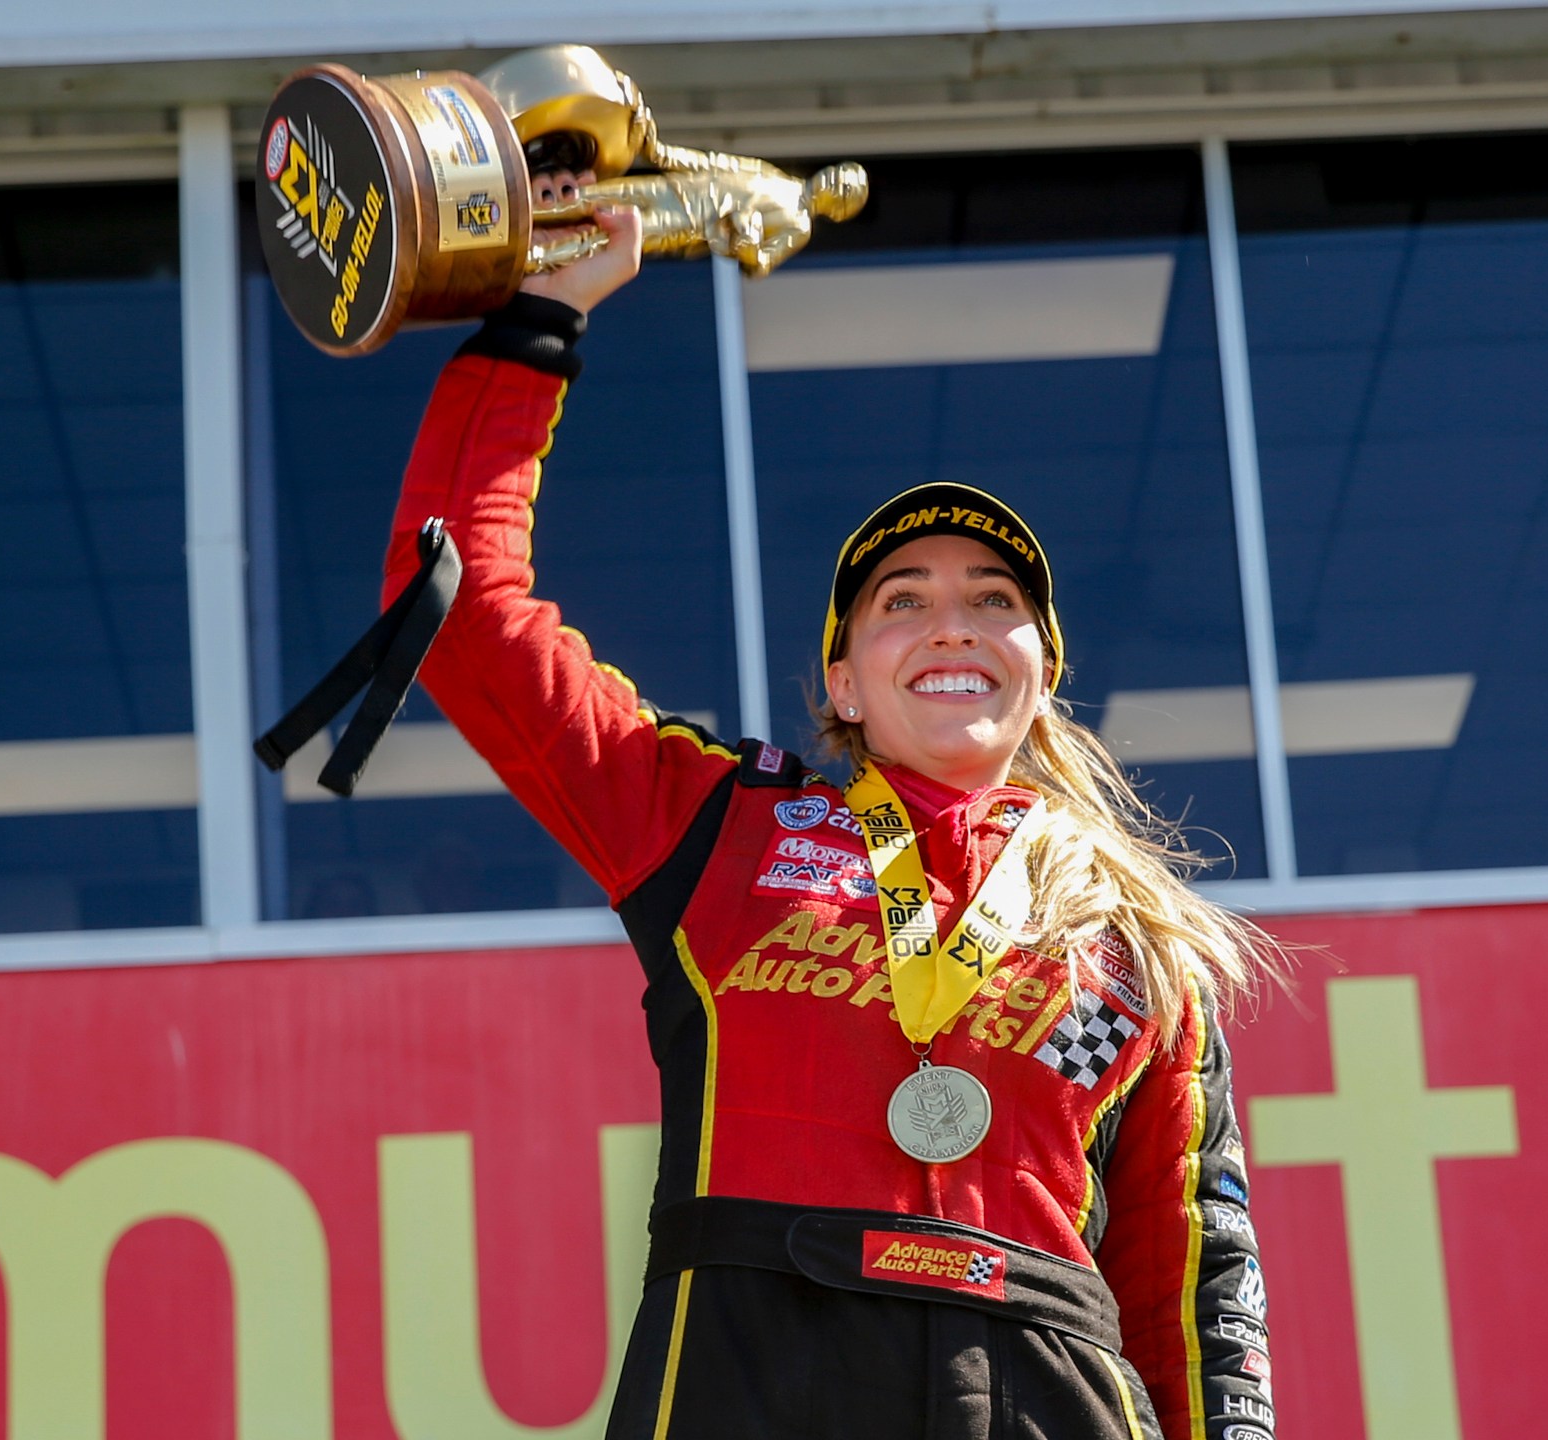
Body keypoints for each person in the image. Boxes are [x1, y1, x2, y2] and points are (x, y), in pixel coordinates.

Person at [382, 194, 1282, 1439]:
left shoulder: (1140, 944)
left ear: (1040, 669)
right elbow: (468, 617)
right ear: (845, 686)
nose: (954, 621)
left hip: (1045, 1391)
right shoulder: (714, 824)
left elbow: (1194, 1279)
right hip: (755, 1373)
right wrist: (542, 318)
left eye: (994, 598)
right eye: (901, 601)